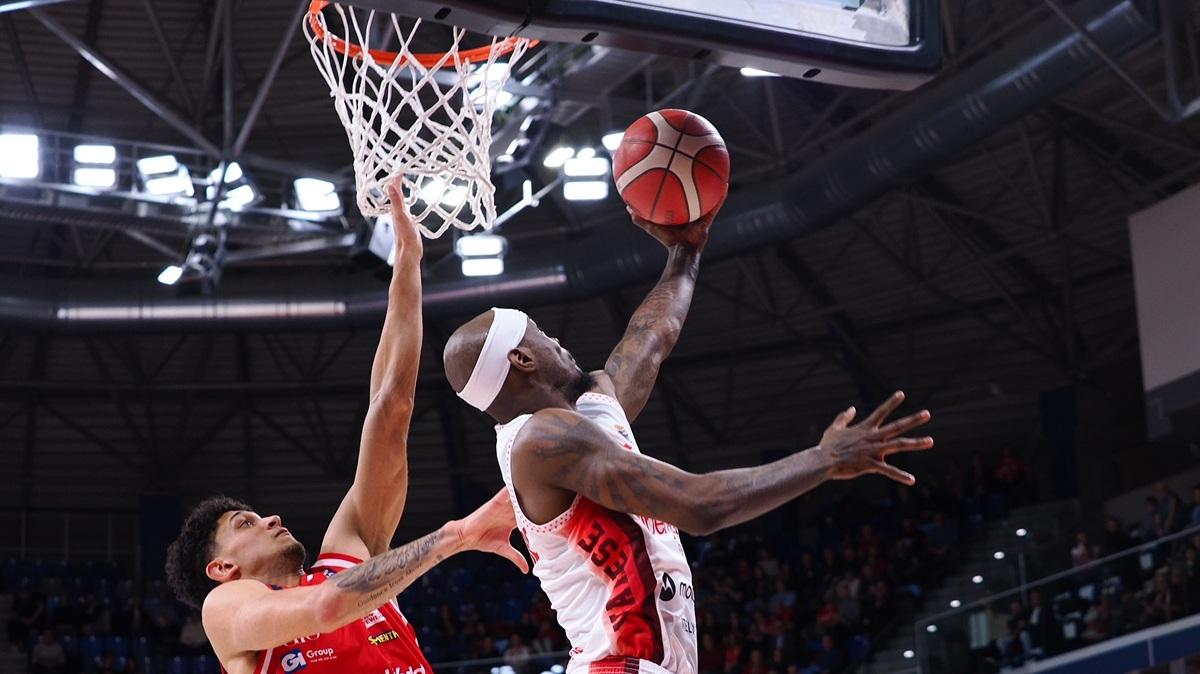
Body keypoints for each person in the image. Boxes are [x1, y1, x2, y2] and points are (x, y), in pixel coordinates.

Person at [442, 202, 934, 674]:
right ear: (522, 359)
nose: (557, 341)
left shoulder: (579, 415)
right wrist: (824, 459)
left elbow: (651, 337)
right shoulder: (543, 440)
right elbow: (700, 505)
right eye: (540, 334)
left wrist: (685, 253)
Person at [164, 188, 527, 674]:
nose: (271, 518)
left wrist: (407, 265)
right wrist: (455, 537)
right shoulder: (226, 607)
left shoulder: (347, 556)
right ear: (223, 568)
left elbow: (391, 409)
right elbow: (326, 607)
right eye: (245, 524)